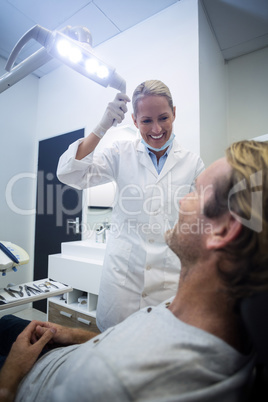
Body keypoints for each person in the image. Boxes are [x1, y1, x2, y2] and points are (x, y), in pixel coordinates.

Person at [0, 140, 267, 402]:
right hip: (72, 351)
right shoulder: (192, 309)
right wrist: (76, 335)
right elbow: (133, 342)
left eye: (195, 192)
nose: (180, 201)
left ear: (222, 230)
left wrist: (10, 379)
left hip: (30, 379)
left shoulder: (114, 385)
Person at [57, 80, 205, 332]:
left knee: (158, 355)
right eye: (146, 120)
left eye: (163, 118)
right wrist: (102, 126)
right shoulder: (120, 153)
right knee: (112, 356)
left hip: (168, 283)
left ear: (175, 114)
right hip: (122, 284)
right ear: (135, 121)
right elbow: (70, 174)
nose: (156, 129)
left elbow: (204, 220)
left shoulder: (192, 163)